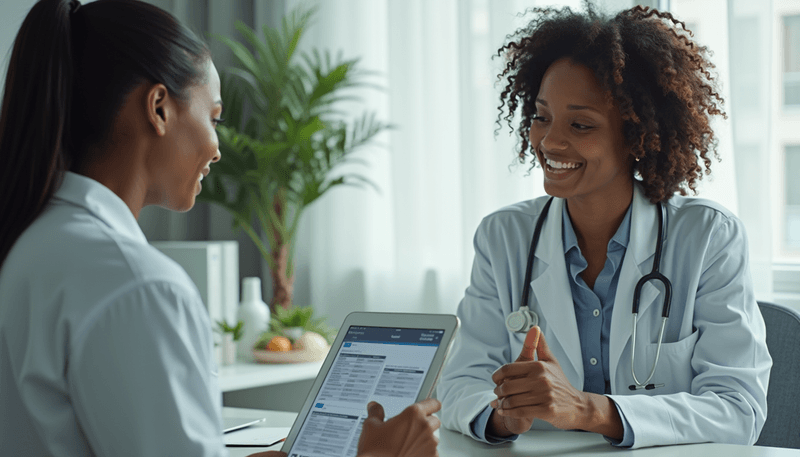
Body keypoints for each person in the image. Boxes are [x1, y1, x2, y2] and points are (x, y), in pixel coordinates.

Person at [0, 1, 440, 456]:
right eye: (213, 118)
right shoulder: (139, 285)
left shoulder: (32, 243)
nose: (217, 149)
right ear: (158, 108)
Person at [437, 3, 771, 450]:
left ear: (635, 136)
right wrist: (502, 416)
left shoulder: (708, 237)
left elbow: (738, 408)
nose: (550, 141)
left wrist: (590, 411)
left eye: (580, 124)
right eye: (541, 116)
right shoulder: (503, 237)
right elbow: (460, 384)